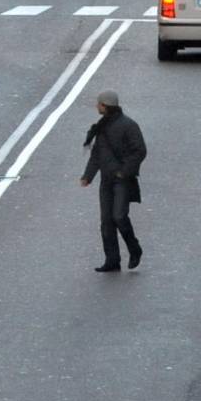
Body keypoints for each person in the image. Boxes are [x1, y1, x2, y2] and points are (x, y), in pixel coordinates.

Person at [80, 90, 147, 273]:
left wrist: (124, 172)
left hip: (122, 181)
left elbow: (139, 151)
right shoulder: (102, 127)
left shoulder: (129, 125)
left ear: (105, 106)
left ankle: (134, 249)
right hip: (106, 181)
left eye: (99, 104)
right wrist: (88, 176)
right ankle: (112, 260)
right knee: (106, 221)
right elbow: (97, 155)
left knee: (119, 216)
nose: (96, 106)